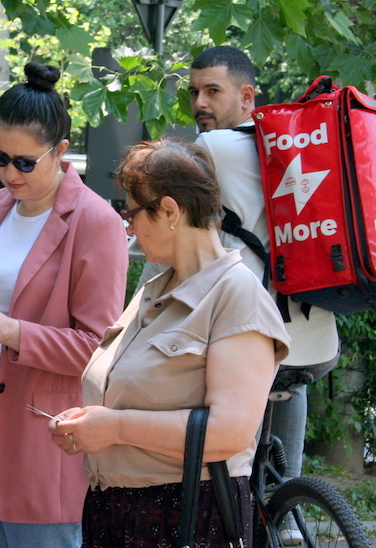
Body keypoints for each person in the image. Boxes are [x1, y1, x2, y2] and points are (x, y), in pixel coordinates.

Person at [137, 46, 341, 545]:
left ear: (247, 96)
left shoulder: (213, 150)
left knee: (223, 476)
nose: (199, 103)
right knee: (283, 462)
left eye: (213, 91)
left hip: (239, 334)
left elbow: (170, 233)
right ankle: (287, 519)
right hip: (311, 339)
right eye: (194, 92)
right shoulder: (301, 148)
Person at [49, 136, 291, 548]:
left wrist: (114, 428)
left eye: (132, 214)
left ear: (169, 211)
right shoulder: (155, 289)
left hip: (187, 515)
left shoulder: (237, 294)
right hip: (116, 512)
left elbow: (230, 432)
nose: (128, 227)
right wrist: (90, 423)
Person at [0, 62, 129, 548]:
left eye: (24, 161)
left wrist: (13, 333)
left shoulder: (94, 222)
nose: (7, 172)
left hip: (39, 424)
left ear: (60, 151)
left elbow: (99, 350)